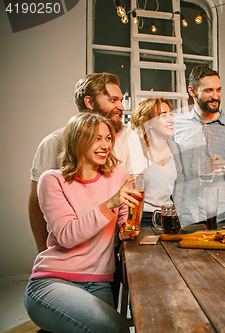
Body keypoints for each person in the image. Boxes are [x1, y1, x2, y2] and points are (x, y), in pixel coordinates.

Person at [24, 113, 137, 333]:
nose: (105, 145)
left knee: (114, 328)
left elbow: (125, 221)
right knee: (114, 330)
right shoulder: (53, 180)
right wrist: (109, 204)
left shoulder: (119, 176)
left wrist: (127, 227)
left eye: (108, 138)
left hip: (99, 283)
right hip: (53, 281)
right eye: (97, 138)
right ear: (78, 140)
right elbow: (67, 236)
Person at [29, 72, 146, 253]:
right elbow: (37, 201)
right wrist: (42, 249)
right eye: (113, 100)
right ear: (90, 103)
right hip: (68, 247)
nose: (121, 107)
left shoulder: (129, 138)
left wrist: (125, 237)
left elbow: (132, 197)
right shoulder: (54, 141)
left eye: (121, 100)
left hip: (112, 248)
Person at [174, 65, 225, 225]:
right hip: (187, 214)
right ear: (192, 91)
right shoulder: (175, 125)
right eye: (209, 91)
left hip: (224, 214)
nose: (216, 96)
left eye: (218, 90)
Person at [130, 98, 184, 226]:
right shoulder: (136, 150)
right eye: (163, 115)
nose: (171, 119)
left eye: (171, 114)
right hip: (144, 219)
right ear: (148, 123)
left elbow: (180, 187)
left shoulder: (176, 149)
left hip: (170, 217)